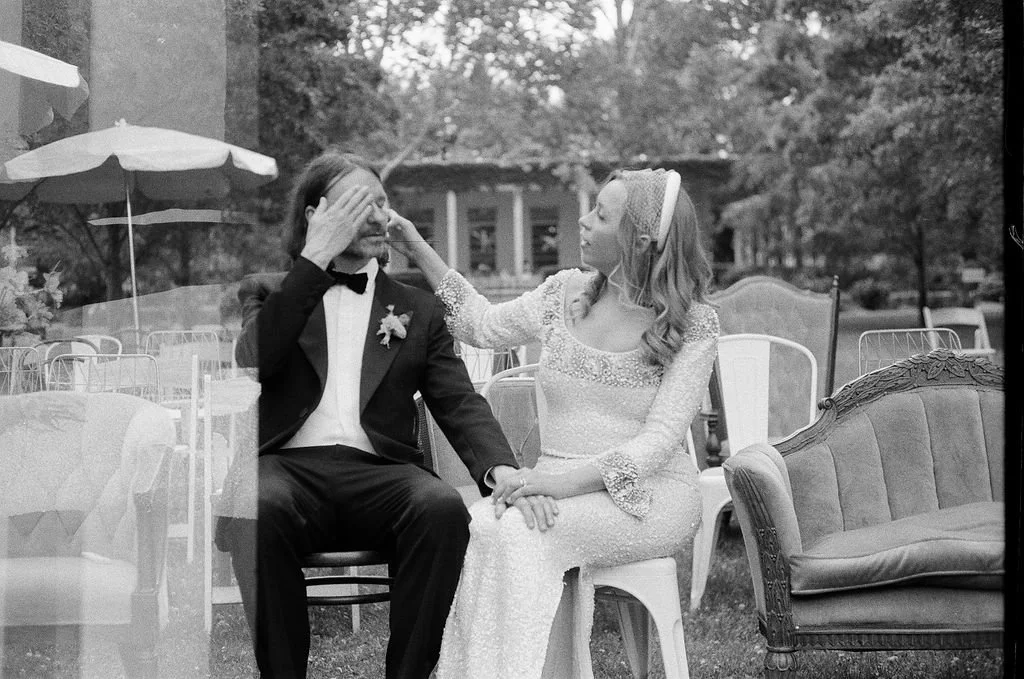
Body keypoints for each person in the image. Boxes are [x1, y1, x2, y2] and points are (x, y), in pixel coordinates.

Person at [217, 150, 542, 679]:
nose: (377, 217)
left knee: (440, 507)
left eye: (382, 203)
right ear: (315, 215)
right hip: (287, 469)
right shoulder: (270, 291)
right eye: (357, 204)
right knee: (257, 505)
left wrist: (498, 467)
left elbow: (457, 400)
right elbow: (256, 359)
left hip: (382, 472)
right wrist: (313, 262)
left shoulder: (418, 307)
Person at [388, 167, 720, 678]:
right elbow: (478, 324)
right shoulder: (562, 292)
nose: (583, 223)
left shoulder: (693, 325)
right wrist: (415, 245)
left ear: (641, 238)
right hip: (550, 483)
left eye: (601, 215)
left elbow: (656, 444)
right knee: (483, 525)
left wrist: (552, 485)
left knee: (518, 534)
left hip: (647, 498)